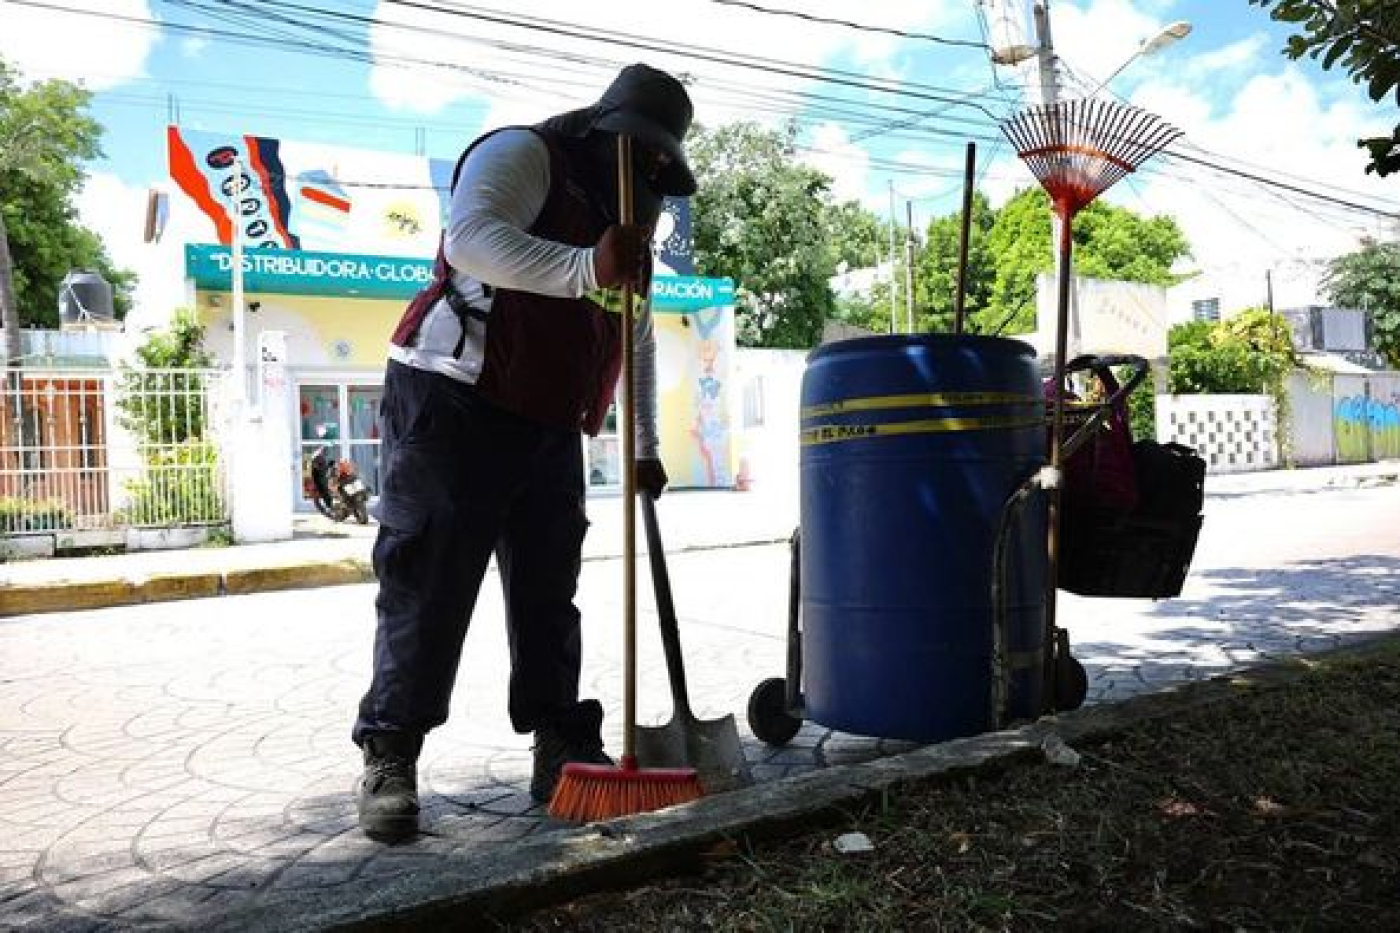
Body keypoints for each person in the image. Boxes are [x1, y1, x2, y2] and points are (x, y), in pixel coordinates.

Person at [351, 64, 697, 843]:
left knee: (550, 587)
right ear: (607, 132)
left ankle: (562, 747)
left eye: (655, 161)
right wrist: (585, 266)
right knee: (430, 580)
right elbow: (470, 241)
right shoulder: (524, 154)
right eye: (636, 150)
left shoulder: (628, 215)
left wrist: (643, 444)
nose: (642, 168)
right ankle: (390, 753)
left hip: (547, 415)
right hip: (453, 395)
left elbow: (632, 326)